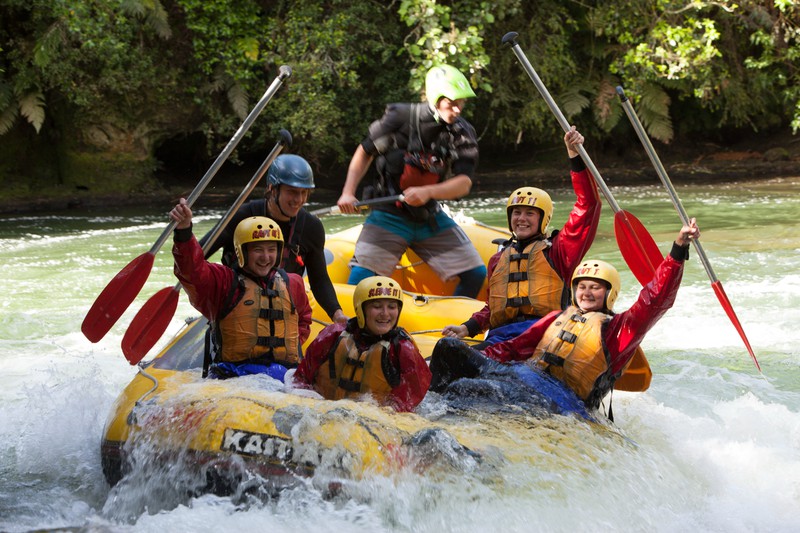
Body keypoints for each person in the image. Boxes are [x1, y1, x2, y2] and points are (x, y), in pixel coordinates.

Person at [429, 219, 700, 416]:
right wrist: (477, 351)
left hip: (557, 398)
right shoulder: (559, 317)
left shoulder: (618, 330)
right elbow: (513, 348)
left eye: (595, 287)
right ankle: (417, 410)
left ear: (610, 294)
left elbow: (655, 301)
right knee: (448, 349)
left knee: (464, 390)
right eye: (582, 286)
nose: (587, 292)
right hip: (520, 377)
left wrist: (677, 251)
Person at [335, 64, 487, 298]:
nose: (457, 109)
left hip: (430, 217)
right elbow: (365, 151)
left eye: (462, 102)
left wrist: (427, 192)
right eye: (451, 102)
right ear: (436, 98)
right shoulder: (400, 117)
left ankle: (456, 328)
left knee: (476, 273)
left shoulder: (462, 131)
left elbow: (463, 183)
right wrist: (348, 192)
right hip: (388, 215)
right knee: (360, 282)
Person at [442, 126, 600, 347]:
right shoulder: (498, 260)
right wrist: (466, 328)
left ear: (543, 219)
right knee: (447, 349)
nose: (522, 218)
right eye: (517, 212)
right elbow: (493, 308)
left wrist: (575, 156)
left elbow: (588, 205)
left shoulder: (558, 250)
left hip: (543, 337)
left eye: (530, 213)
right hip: (501, 340)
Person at [171, 198, 312, 380]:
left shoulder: (293, 283)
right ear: (241, 252)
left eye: (271, 249)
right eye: (257, 250)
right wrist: (183, 231)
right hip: (235, 375)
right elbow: (191, 271)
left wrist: (288, 345)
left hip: (283, 375)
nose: (266, 257)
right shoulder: (224, 282)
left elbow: (304, 319)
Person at [203, 154, 347, 325]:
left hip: (281, 316)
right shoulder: (241, 216)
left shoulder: (311, 227)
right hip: (237, 312)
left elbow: (319, 278)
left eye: (304, 192)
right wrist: (184, 230)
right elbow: (199, 254)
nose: (299, 200)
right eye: (292, 192)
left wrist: (337, 313)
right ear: (273, 189)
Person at [292, 276, 431, 412]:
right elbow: (300, 379)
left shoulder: (403, 349)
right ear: (360, 309)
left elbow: (408, 404)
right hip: (322, 411)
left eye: (392, 307)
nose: (385, 313)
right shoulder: (333, 335)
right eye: (377, 306)